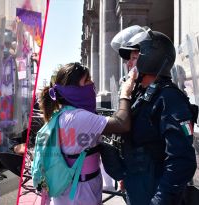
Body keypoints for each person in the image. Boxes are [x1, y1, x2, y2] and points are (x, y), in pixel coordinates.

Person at [114, 26, 197, 205]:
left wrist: (159, 201)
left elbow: (182, 160)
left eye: (134, 58)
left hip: (154, 195)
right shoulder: (141, 97)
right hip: (137, 190)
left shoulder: (169, 98)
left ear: (152, 59)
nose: (129, 64)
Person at [39, 62, 136, 205]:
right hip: (80, 194)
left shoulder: (62, 114)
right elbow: (122, 123)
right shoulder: (78, 118)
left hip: (71, 191)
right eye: (87, 80)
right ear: (73, 89)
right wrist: (125, 93)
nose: (92, 83)